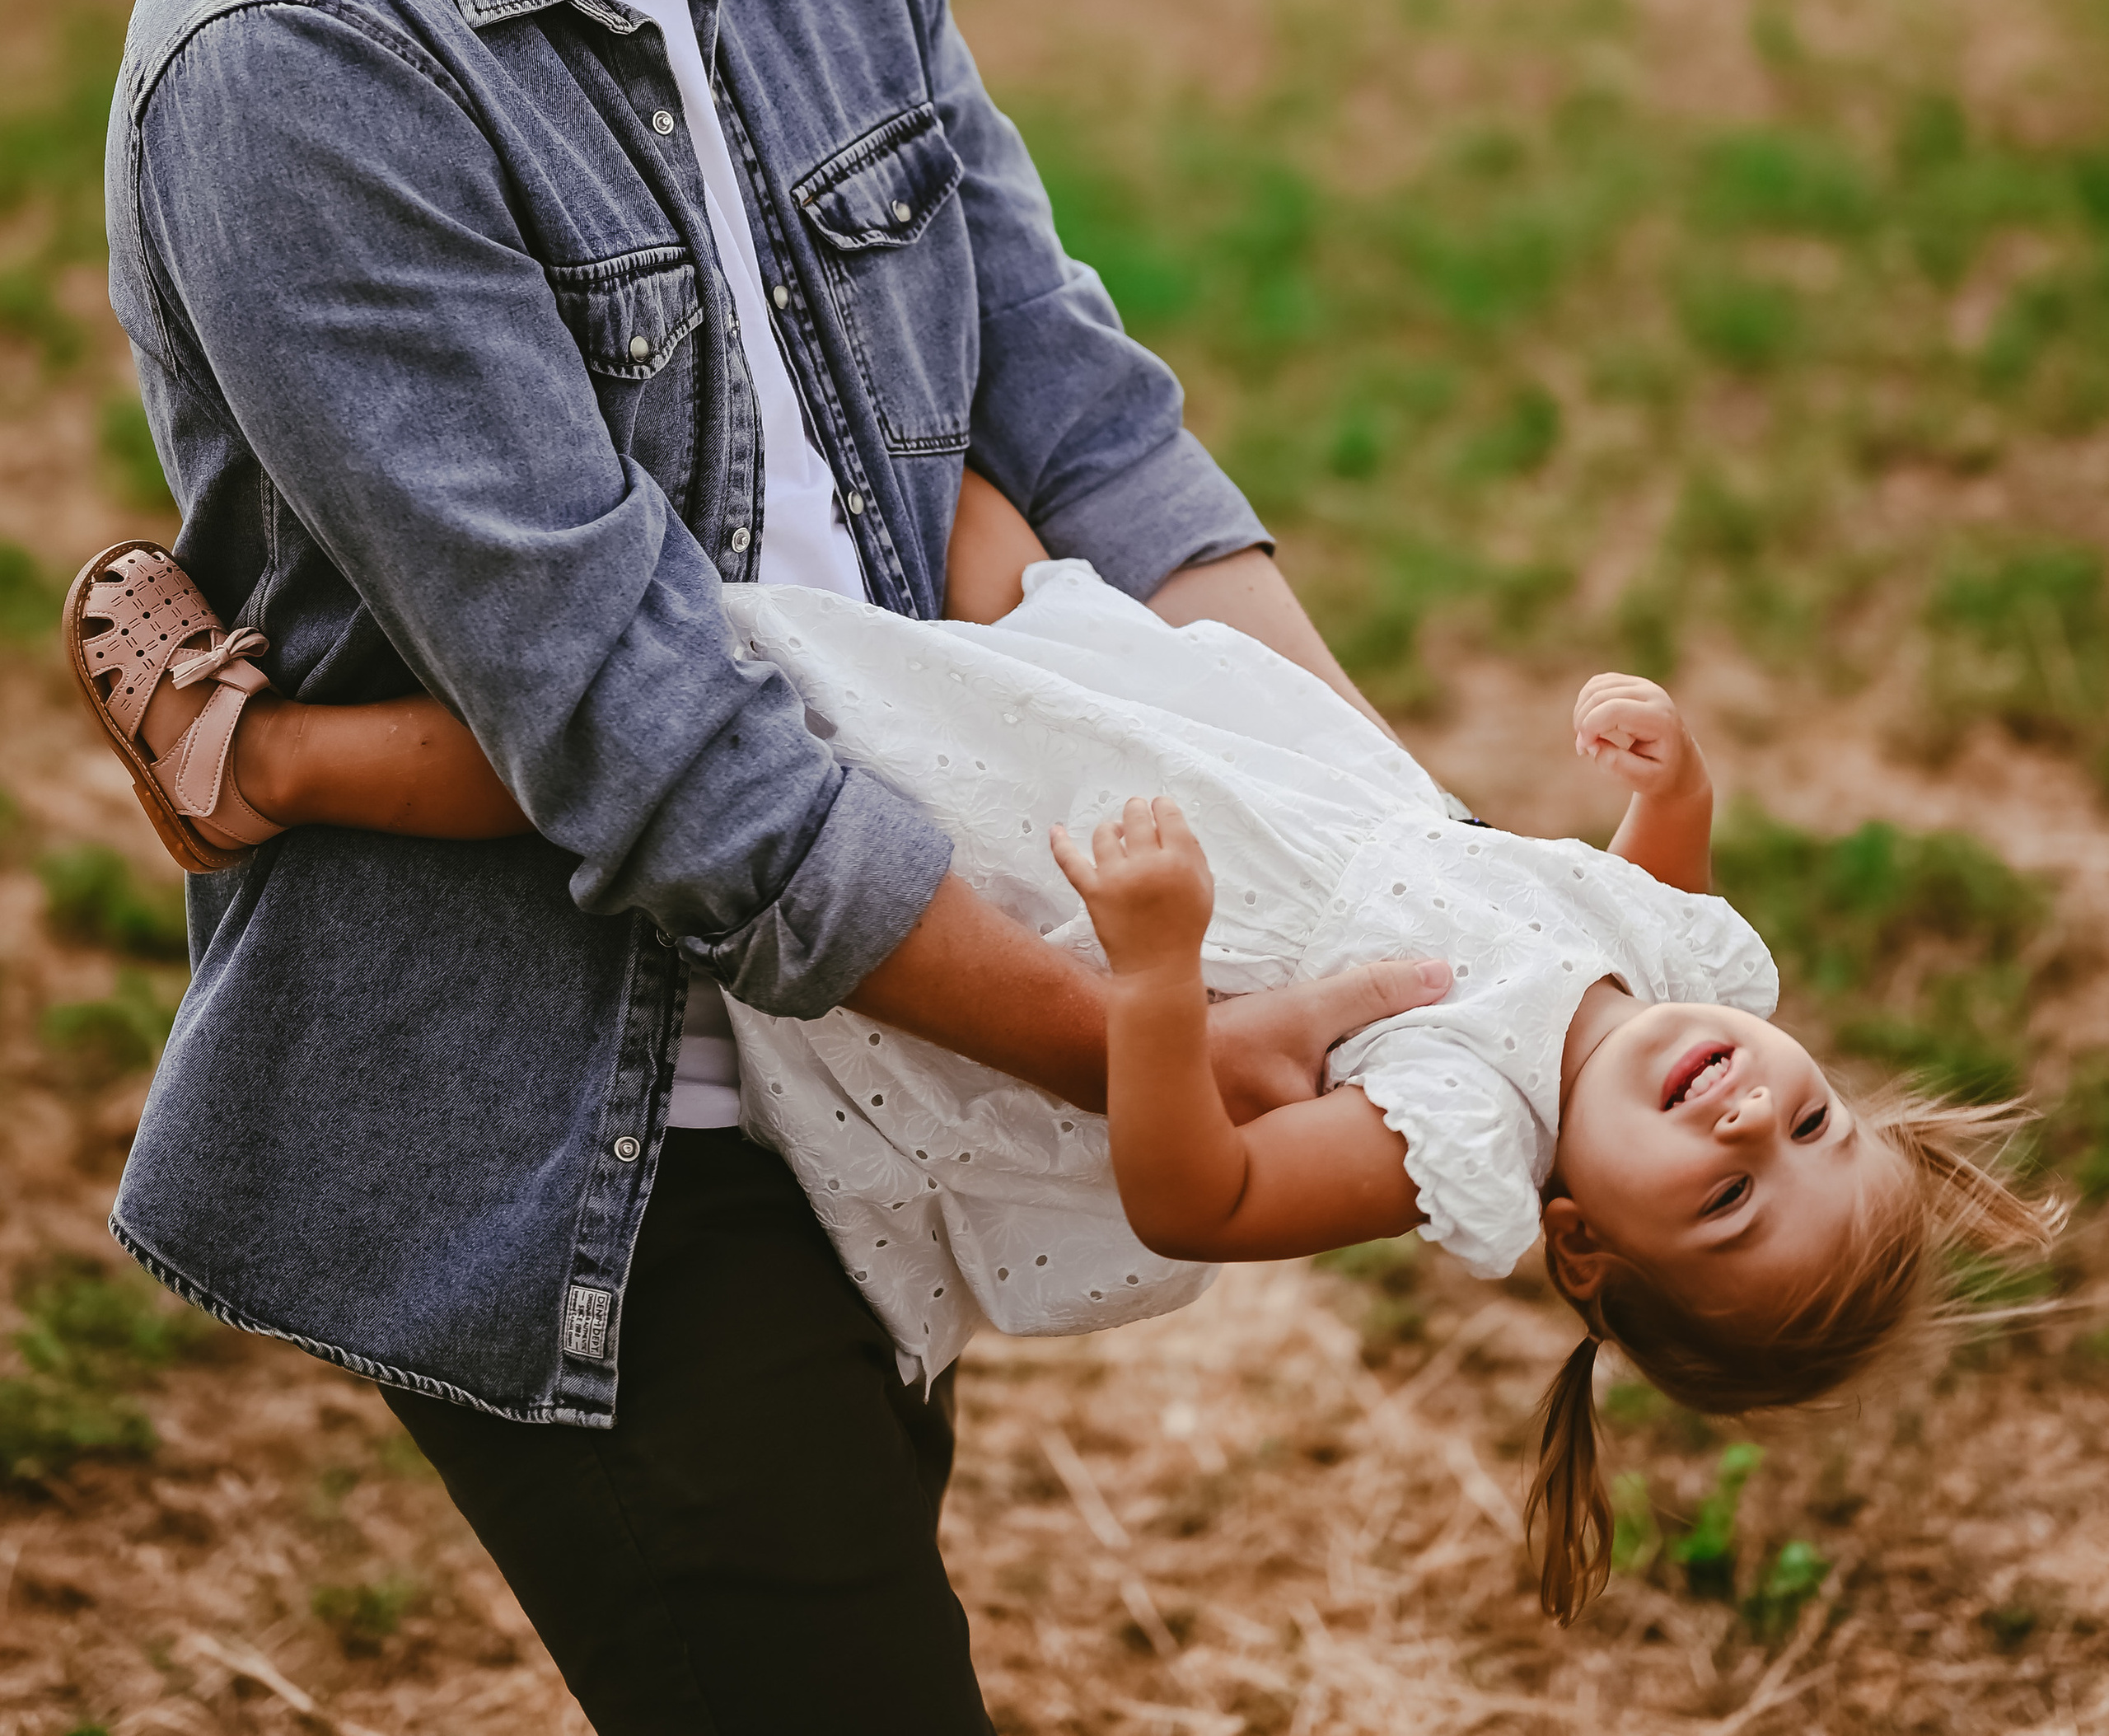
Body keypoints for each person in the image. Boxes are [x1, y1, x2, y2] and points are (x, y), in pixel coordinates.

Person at [84, 0, 1444, 1736]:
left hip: (878, 1066)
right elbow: (655, 741)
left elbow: (1087, 424)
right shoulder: (294, 62)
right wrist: (1146, 1048)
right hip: (601, 1137)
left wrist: (1418, 867)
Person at [72, 533, 2056, 1635]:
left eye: (1723, 1193)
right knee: (997, 583)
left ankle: (270, 771)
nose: (1742, 1114)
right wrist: (1665, 786)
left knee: (753, 721)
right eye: (1806, 1121)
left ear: (1581, 1247)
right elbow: (1659, 893)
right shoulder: (1686, 980)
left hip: (1090, 874)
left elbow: (1195, 1197)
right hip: (1187, 740)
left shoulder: (1456, 1133)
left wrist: (1156, 974)